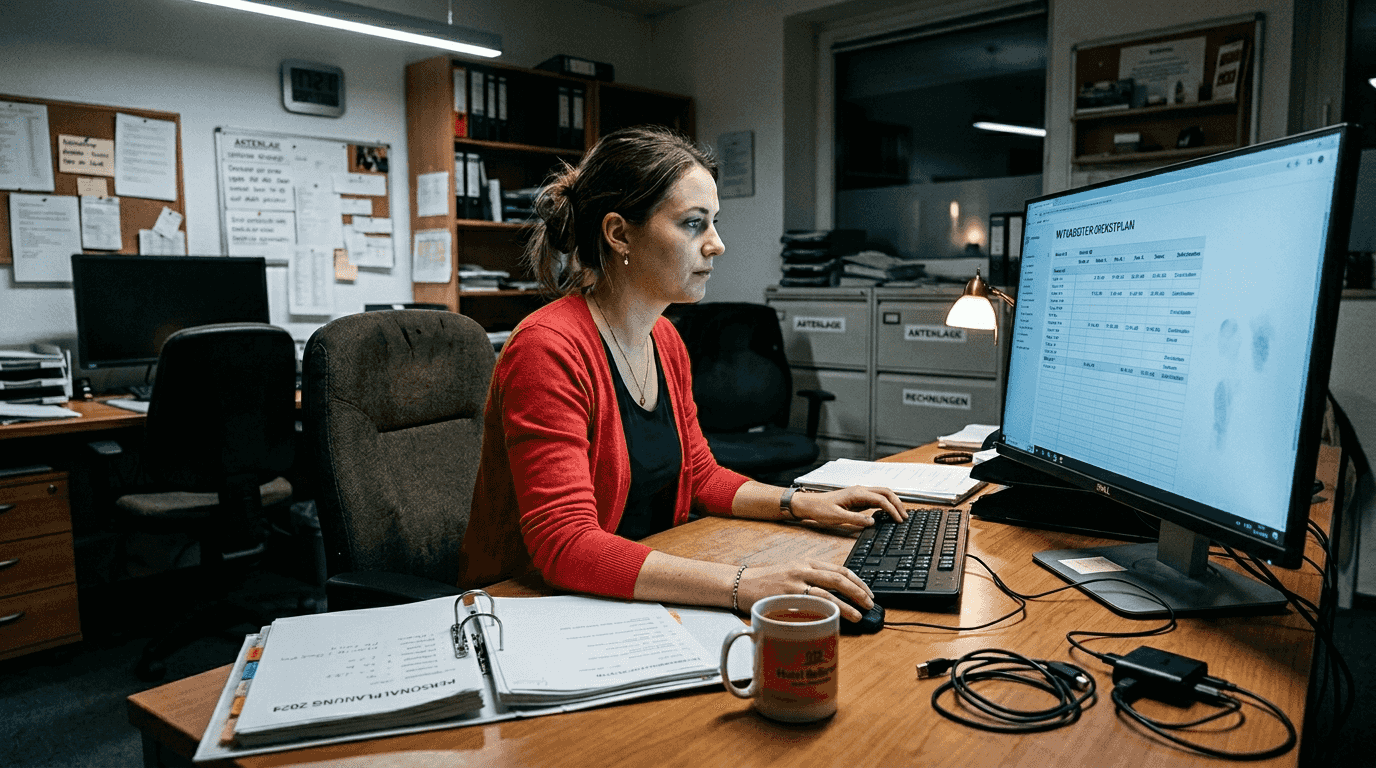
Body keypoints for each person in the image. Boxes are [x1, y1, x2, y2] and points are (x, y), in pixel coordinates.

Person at [457, 126, 905, 623]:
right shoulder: (547, 348)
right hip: (527, 611)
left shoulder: (665, 339)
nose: (717, 245)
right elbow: (566, 544)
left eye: (714, 223)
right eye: (694, 224)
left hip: (628, 595)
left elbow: (700, 476)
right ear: (620, 233)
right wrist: (743, 585)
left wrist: (803, 504)